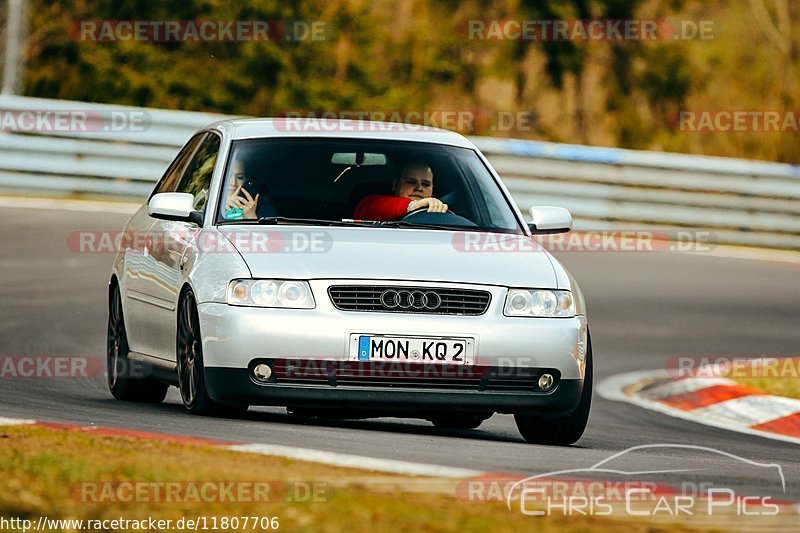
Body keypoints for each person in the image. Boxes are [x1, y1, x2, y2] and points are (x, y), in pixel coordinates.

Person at [353, 161, 448, 221]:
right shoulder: (373, 204)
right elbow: (369, 207)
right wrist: (413, 205)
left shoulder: (443, 212)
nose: (419, 188)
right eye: (411, 182)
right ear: (395, 185)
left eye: (426, 184)